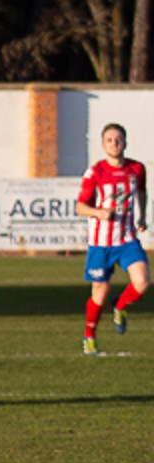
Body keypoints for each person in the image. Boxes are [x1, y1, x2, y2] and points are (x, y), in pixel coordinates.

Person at [74, 122, 149, 355]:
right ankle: (89, 337)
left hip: (127, 239)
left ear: (125, 142)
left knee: (143, 282)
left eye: (118, 139)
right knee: (99, 293)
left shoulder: (137, 168)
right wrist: (98, 212)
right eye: (109, 140)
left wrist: (142, 216)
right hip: (101, 242)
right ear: (103, 144)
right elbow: (80, 207)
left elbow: (142, 192)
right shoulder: (95, 172)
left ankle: (120, 304)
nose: (114, 144)